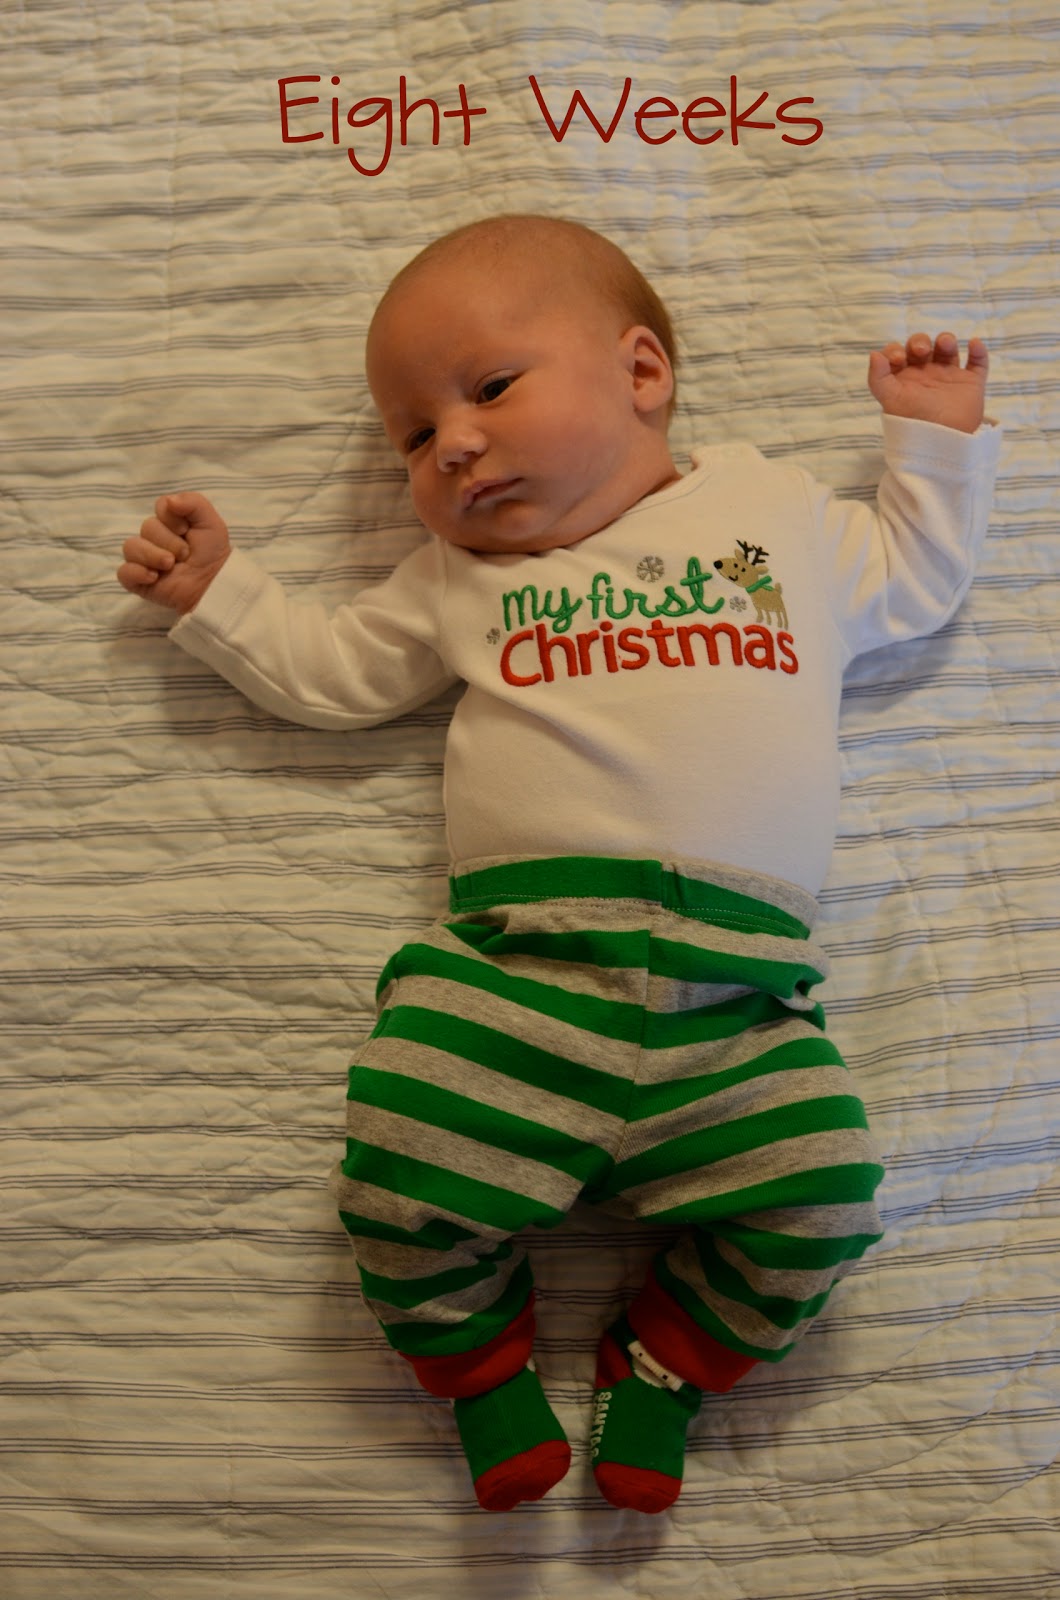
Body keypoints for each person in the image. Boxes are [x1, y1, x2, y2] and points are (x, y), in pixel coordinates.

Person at [118, 214, 1001, 1514]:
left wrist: (932, 440)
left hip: (740, 1004)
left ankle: (664, 1361)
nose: (451, 444)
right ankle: (480, 1370)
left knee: (824, 1200)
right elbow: (335, 673)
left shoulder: (768, 518)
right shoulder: (461, 576)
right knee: (401, 1165)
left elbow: (916, 581)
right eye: (412, 436)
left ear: (642, 372)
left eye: (489, 389)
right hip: (519, 974)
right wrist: (220, 595)